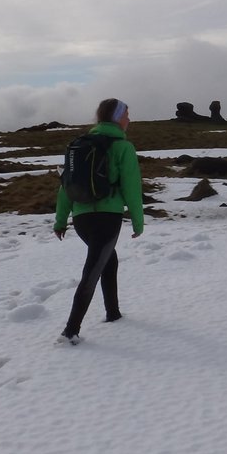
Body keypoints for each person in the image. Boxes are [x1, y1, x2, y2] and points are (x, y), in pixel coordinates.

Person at [53, 98, 145, 344]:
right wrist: (138, 221)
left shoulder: (80, 145)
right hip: (107, 218)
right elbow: (132, 187)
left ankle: (113, 313)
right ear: (116, 118)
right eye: (126, 113)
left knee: (108, 260)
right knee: (92, 270)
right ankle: (70, 331)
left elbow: (65, 187)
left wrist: (61, 220)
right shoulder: (122, 147)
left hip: (82, 219)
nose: (129, 119)